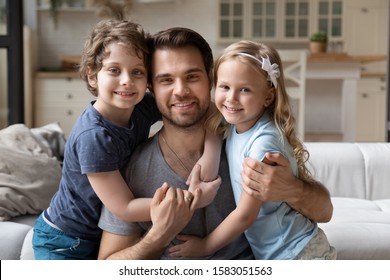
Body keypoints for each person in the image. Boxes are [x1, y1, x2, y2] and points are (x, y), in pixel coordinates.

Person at [97, 28, 333, 260]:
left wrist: (293, 188)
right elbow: (105, 265)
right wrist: (160, 234)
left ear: (210, 81)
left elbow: (325, 211)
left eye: (192, 77)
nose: (181, 91)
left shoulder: (244, 136)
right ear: (151, 88)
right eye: (166, 80)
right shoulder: (134, 168)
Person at [32, 19, 219, 260]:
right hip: (64, 238)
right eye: (113, 70)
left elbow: (208, 109)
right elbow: (124, 207)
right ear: (91, 76)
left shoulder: (139, 106)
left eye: (137, 72)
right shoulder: (94, 137)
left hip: (99, 230)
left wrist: (210, 154)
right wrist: (185, 200)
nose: (126, 81)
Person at [168, 40, 337, 260]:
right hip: (278, 252)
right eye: (224, 87)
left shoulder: (263, 144)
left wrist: (204, 247)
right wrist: (209, 157)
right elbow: (209, 108)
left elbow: (245, 216)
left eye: (244, 90)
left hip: (297, 251)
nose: (231, 98)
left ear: (268, 96)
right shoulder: (238, 121)